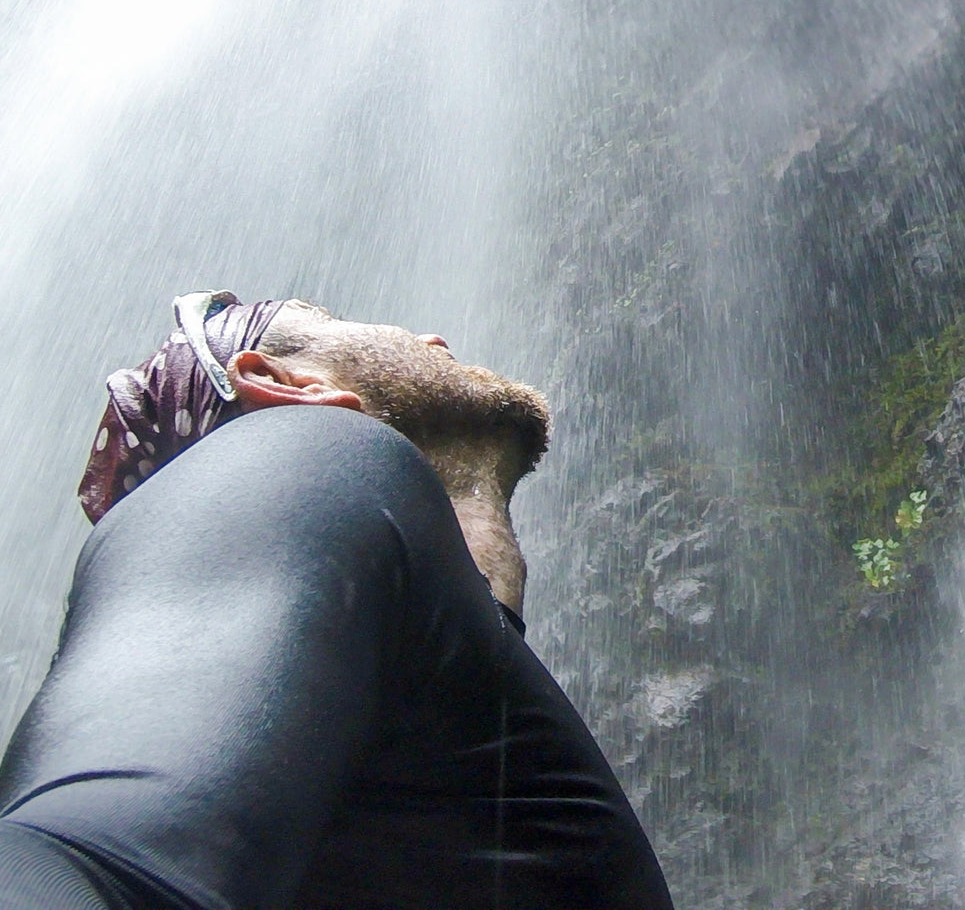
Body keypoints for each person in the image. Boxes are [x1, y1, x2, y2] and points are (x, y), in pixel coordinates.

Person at [0, 292, 675, 910]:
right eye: (330, 321)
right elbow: (89, 859)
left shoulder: (372, 750)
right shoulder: (294, 458)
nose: (434, 336)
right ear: (282, 383)